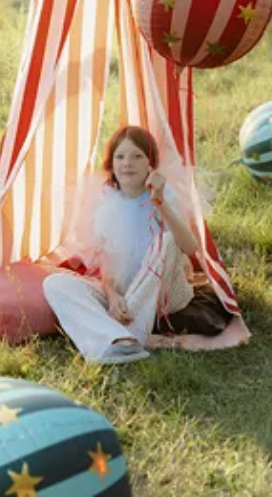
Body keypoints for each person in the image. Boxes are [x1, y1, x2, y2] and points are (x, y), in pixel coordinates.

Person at [43, 125, 199, 364]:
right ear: (112, 164)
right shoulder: (107, 201)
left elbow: (189, 247)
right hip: (126, 293)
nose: (128, 163)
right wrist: (113, 296)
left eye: (137, 156)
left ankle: (127, 335)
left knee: (167, 240)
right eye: (120, 156)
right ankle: (122, 338)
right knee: (55, 283)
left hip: (164, 290)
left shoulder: (162, 196)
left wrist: (159, 202)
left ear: (151, 163)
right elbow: (109, 264)